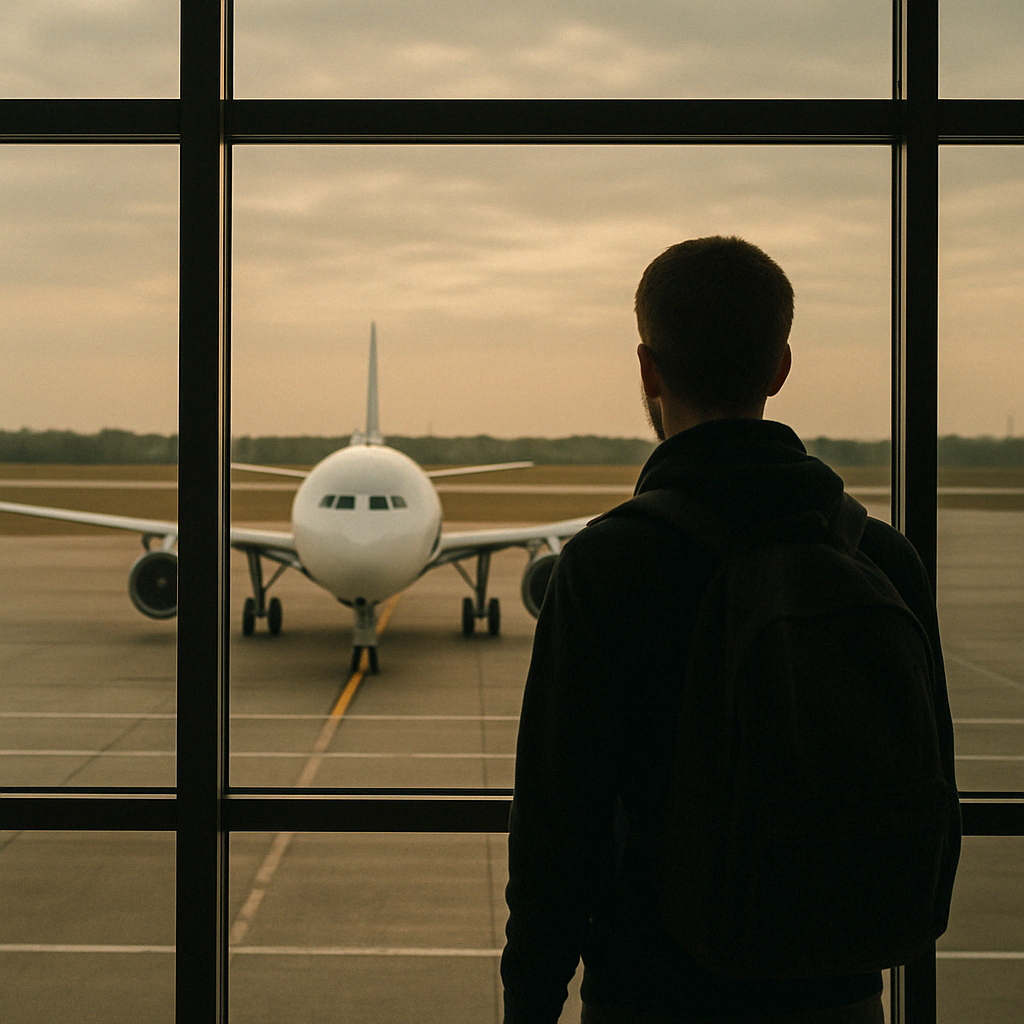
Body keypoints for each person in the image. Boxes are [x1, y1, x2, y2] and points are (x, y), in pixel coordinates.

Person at [501, 236, 958, 1024]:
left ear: (648, 370)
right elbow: (927, 793)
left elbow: (556, 835)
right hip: (840, 995)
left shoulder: (609, 565)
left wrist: (529, 1003)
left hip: (654, 993)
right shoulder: (883, 558)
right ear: (781, 367)